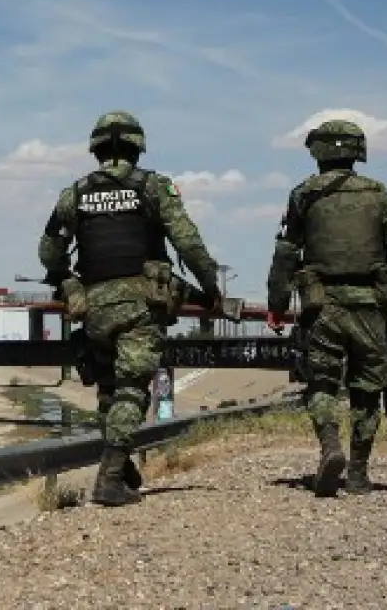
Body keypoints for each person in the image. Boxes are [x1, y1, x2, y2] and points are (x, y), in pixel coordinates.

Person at [38, 111, 223, 507]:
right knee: (131, 392)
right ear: (137, 147)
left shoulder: (75, 193)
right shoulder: (154, 187)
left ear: (97, 149)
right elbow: (188, 242)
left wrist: (67, 281)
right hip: (140, 307)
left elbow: (49, 251)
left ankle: (122, 469)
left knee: (108, 392)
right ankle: (108, 480)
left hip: (94, 309)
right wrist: (211, 289)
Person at [265, 119, 387, 497]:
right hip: (371, 306)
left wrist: (277, 303)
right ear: (357, 152)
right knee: (368, 387)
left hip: (322, 306)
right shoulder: (380, 195)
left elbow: (286, 252)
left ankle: (330, 447)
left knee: (321, 382)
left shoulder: (304, 195)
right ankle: (358, 472)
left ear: (318, 152)